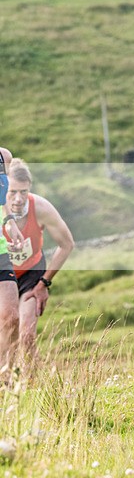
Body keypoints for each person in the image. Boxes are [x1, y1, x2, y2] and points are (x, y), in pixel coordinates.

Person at [2, 159, 75, 360]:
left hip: (30, 275)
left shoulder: (41, 208)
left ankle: (34, 386)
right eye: (13, 192)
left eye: (23, 192)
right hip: (3, 275)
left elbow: (67, 244)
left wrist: (44, 283)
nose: (18, 199)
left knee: (26, 336)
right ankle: (7, 382)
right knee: (5, 334)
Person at [0, 146, 24, 376]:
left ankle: (7, 376)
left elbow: (1, 195)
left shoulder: (2, 157)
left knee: (11, 317)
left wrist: (10, 221)